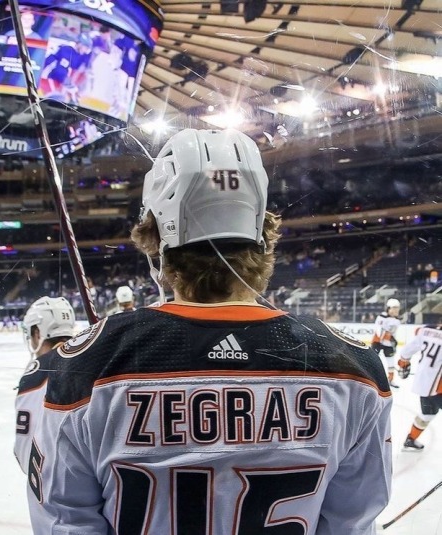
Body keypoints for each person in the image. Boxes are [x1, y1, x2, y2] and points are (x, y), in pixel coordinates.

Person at [26, 129, 392, 534]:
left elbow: (65, 523)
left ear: (155, 240)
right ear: (263, 234)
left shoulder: (84, 367)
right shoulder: (353, 367)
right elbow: (350, 524)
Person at [14, 296, 76, 474]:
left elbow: (25, 451)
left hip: (57, 481)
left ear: (37, 332)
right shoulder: (95, 359)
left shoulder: (38, 373)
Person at [397, 320, 442, 451]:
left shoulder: (426, 330)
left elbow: (406, 352)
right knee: (428, 413)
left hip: (423, 382)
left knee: (428, 413)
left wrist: (403, 363)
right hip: (437, 386)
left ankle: (411, 439)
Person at [371, 298, 402, 388]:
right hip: (377, 342)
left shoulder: (397, 321)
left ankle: (391, 380)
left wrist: (393, 342)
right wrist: (389, 337)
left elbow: (392, 333)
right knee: (373, 360)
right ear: (389, 308)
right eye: (394, 308)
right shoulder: (381, 317)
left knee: (391, 362)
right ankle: (371, 378)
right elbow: (379, 332)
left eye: (397, 308)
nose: (397, 310)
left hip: (388, 344)